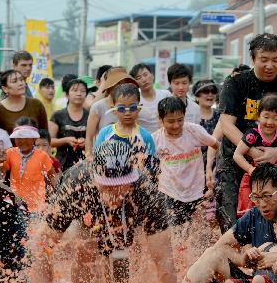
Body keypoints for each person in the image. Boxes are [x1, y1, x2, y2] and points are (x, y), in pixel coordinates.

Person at [34, 140, 182, 283]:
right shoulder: (75, 185)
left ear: (131, 178)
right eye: (108, 186)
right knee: (85, 251)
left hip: (127, 224)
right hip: (88, 221)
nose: (115, 194)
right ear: (95, 178)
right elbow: (42, 245)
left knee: (119, 275)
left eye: (121, 186)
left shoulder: (146, 192)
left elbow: (164, 257)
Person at [210, 33, 277, 231]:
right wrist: (252, 152)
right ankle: (232, 257)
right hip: (234, 161)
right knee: (231, 216)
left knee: (271, 215)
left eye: (276, 60)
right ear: (253, 59)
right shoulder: (236, 83)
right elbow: (226, 123)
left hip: (273, 163)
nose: (270, 65)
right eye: (264, 60)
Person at [152, 96, 219, 227]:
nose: (176, 125)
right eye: (170, 121)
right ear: (161, 120)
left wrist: (212, 168)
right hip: (169, 190)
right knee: (175, 228)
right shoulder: (156, 139)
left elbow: (216, 145)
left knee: (197, 227)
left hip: (196, 189)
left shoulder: (194, 131)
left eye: (180, 120)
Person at [233, 93, 277, 216]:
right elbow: (237, 155)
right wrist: (250, 169)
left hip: (274, 181)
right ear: (258, 116)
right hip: (252, 179)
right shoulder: (252, 135)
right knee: (250, 214)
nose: (270, 122)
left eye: (276, 118)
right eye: (266, 117)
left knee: (274, 213)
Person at [93, 83, 158, 179]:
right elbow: (97, 163)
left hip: (137, 188)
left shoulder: (145, 136)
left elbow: (152, 167)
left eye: (132, 108)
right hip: (111, 186)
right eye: (121, 109)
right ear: (113, 109)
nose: (127, 113)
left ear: (139, 108)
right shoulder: (105, 134)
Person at [1, 119, 55, 215]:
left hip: (37, 204)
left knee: (34, 228)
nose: (22, 141)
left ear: (34, 139)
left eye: (26, 138)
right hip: (16, 202)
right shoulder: (10, 153)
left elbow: (52, 175)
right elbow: (2, 172)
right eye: (19, 138)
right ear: (14, 140)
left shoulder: (42, 155)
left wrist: (53, 195)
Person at [84, 68, 139, 154]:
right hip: (103, 154)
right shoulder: (98, 106)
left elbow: (135, 130)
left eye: (124, 83)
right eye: (118, 83)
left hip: (128, 154)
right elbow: (89, 137)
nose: (122, 86)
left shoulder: (131, 106)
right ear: (110, 85)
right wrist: (89, 156)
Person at [49, 77, 89, 172]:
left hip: (85, 165)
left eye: (83, 91)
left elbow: (96, 139)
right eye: (74, 90)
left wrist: (87, 142)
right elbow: (50, 141)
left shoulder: (91, 115)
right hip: (62, 164)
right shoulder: (58, 115)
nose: (79, 94)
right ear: (67, 94)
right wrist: (66, 140)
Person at [0, 69, 48, 134]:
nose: (20, 83)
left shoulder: (36, 104)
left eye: (21, 80)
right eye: (14, 81)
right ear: (5, 89)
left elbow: (45, 133)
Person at [131, 63, 170, 133]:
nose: (144, 80)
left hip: (165, 138)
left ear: (152, 75)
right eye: (138, 78)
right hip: (144, 140)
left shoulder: (165, 95)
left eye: (145, 75)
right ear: (135, 82)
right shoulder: (134, 100)